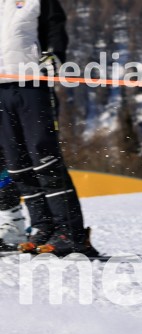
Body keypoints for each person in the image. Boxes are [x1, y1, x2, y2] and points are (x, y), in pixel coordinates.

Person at [0, 0, 96, 256]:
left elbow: (55, 27)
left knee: (44, 158)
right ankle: (43, 227)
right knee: (17, 164)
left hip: (31, 84)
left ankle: (70, 233)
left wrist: (55, 54)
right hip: (1, 89)